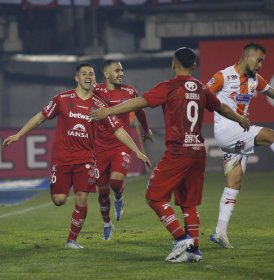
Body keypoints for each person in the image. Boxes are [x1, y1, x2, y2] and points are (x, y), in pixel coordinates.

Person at [89, 47, 250, 262]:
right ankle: (193, 251)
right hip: (197, 152)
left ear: (173, 64)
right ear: (194, 66)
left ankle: (181, 238)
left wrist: (107, 111)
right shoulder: (202, 88)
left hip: (178, 151)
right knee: (188, 204)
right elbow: (221, 107)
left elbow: (141, 102)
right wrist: (240, 118)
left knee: (154, 197)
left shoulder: (169, 86)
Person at [2, 63, 150, 249]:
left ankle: (72, 240)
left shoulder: (99, 106)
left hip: (87, 159)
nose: (88, 76)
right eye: (84, 74)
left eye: (91, 74)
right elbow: (39, 118)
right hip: (62, 159)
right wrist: (18, 135)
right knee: (59, 200)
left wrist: (137, 151)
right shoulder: (61, 99)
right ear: (77, 78)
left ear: (95, 79)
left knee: (82, 198)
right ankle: (85, 225)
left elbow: (118, 130)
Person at [206, 42, 274, 249]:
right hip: (227, 130)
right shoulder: (223, 76)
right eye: (259, 59)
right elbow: (203, 95)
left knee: (234, 183)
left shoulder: (255, 79)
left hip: (239, 133)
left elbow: (271, 91)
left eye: (263, 61)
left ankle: (220, 231)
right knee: (272, 136)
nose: (261, 64)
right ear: (246, 56)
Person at [93, 60, 153, 240]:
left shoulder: (129, 91)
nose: (121, 73)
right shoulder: (96, 92)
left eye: (122, 70)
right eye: (117, 70)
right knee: (102, 192)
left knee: (116, 182)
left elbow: (140, 109)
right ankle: (106, 223)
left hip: (121, 144)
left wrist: (146, 128)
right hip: (99, 147)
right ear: (106, 74)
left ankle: (119, 197)